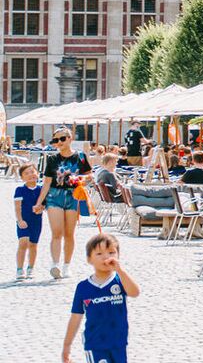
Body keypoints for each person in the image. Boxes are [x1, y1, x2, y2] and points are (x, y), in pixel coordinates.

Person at [62, 233, 139, 363]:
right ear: (89, 259)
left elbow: (135, 292)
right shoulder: (83, 287)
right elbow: (75, 317)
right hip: (95, 344)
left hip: (118, 343)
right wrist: (67, 345)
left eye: (111, 252)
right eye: (99, 254)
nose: (106, 257)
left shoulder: (120, 281)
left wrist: (120, 271)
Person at [36, 128, 92, 280]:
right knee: (57, 232)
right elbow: (46, 183)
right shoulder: (53, 159)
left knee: (69, 233)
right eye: (55, 140)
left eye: (61, 139)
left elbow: (89, 176)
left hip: (73, 195)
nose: (58, 143)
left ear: (69, 138)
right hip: (55, 195)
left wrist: (82, 180)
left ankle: (67, 265)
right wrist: (39, 203)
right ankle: (55, 264)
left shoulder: (80, 157)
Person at [15, 162, 42, 281]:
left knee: (33, 245)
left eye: (32, 172)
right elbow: (17, 206)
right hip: (24, 221)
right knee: (23, 243)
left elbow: (44, 204)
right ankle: (19, 269)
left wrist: (41, 208)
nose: (30, 175)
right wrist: (19, 220)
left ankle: (31, 268)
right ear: (22, 177)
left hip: (36, 221)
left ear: (37, 173)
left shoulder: (41, 189)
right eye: (26, 173)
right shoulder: (20, 190)